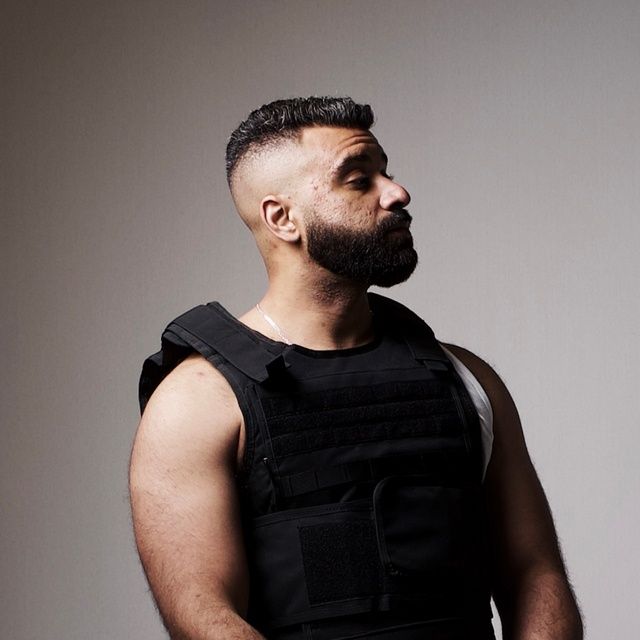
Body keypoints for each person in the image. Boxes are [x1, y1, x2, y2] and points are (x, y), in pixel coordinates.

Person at [130, 96, 583, 640]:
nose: (397, 192)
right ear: (282, 218)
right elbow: (204, 614)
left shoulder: (466, 379)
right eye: (359, 179)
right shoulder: (197, 401)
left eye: (385, 172)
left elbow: (535, 573)